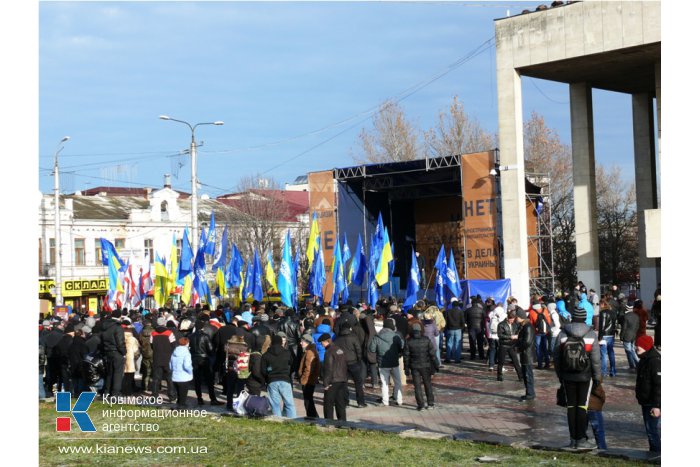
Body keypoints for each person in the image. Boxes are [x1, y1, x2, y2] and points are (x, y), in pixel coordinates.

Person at [553, 306, 602, 450]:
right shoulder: (590, 334)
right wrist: (597, 377)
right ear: (585, 317)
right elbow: (596, 359)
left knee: (571, 406)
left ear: (572, 317)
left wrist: (560, 375)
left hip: (567, 375)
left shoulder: (563, 333)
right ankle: (581, 439)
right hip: (585, 375)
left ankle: (572, 439)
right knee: (582, 406)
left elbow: (556, 356)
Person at [369, 317, 404, 406]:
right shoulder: (396, 336)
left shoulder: (377, 336)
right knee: (397, 382)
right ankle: (398, 399)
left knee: (384, 383)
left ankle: (385, 401)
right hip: (394, 362)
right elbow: (402, 346)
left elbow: (372, 349)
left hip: (382, 363)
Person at [403, 323, 439, 410]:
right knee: (428, 384)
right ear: (420, 330)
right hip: (426, 366)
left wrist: (406, 368)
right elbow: (432, 354)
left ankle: (421, 405)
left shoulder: (409, 341)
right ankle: (430, 403)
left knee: (417, 386)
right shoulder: (426, 340)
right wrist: (436, 365)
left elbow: (406, 357)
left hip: (414, 366)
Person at [635, 335, 661, 455]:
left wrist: (656, 405)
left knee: (652, 430)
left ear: (645, 346)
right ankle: (654, 453)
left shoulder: (654, 361)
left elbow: (658, 385)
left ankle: (657, 454)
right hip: (645, 401)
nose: (636, 347)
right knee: (649, 430)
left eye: (638, 345)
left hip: (652, 402)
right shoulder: (644, 359)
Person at [262, 335, 296, 418]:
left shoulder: (266, 355)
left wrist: (267, 378)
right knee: (289, 404)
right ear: (281, 342)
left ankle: (278, 421)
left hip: (272, 380)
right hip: (285, 379)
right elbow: (293, 364)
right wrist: (287, 372)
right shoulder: (287, 353)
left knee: (275, 404)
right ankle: (294, 422)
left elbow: (263, 370)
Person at [334, 321, 366, 408]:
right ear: (349, 328)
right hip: (354, 362)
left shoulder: (337, 339)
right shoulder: (353, 337)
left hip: (342, 363)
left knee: (344, 383)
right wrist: (359, 359)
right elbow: (358, 349)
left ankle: (345, 402)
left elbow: (335, 351)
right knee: (358, 383)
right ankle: (360, 402)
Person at [189, 320, 221, 405]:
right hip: (204, 359)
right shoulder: (205, 336)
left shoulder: (190, 336)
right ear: (202, 327)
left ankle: (199, 399)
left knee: (197, 380)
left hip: (194, 358)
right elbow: (210, 349)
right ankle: (213, 399)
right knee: (209, 380)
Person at [320, 333, 348, 421]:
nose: (321, 344)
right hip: (342, 380)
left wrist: (326, 383)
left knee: (328, 403)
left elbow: (328, 369)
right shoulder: (339, 350)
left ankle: (329, 423)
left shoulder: (329, 352)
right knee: (340, 403)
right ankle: (342, 423)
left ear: (326, 341)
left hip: (333, 381)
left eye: (322, 342)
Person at [150, 316, 177, 402]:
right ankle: (172, 396)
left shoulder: (153, 333)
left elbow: (151, 345)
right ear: (164, 323)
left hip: (157, 357)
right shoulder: (169, 333)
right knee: (169, 378)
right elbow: (174, 345)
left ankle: (154, 396)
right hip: (168, 358)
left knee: (156, 378)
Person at [101, 310, 127, 397]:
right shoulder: (118, 327)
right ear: (120, 316)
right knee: (118, 374)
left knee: (109, 373)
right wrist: (124, 352)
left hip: (107, 351)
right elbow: (120, 342)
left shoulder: (105, 326)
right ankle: (116, 393)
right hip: (116, 352)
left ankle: (107, 391)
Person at [514, 308, 536, 401]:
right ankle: (529, 392)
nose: (515, 318)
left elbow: (527, 341)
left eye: (517, 317)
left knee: (528, 374)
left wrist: (519, 348)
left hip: (527, 354)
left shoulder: (528, 327)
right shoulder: (523, 326)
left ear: (521, 317)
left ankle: (530, 393)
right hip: (525, 354)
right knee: (525, 374)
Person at [496, 310, 523, 382]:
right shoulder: (501, 324)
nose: (512, 321)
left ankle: (520, 376)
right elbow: (500, 335)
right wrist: (510, 337)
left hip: (512, 345)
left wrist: (517, 335)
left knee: (516, 361)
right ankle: (499, 375)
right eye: (511, 320)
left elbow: (517, 331)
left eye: (513, 320)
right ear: (507, 318)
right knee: (501, 361)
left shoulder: (515, 324)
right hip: (504, 345)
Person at [298, 334, 320, 418]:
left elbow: (308, 368)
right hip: (310, 380)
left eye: (302, 341)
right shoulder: (309, 350)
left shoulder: (310, 352)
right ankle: (313, 416)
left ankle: (312, 417)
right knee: (308, 400)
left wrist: (303, 380)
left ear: (307, 342)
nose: (300, 343)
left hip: (308, 381)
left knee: (308, 400)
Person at [170, 337, 193, 409]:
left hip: (175, 376)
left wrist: (173, 371)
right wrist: (191, 371)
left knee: (179, 393)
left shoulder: (174, 352)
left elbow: (170, 364)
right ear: (187, 343)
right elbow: (187, 365)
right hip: (184, 376)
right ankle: (181, 407)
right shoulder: (186, 353)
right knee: (183, 393)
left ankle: (178, 404)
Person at [529, 299, 552, 369]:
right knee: (545, 347)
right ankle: (547, 363)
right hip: (545, 332)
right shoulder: (545, 310)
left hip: (537, 332)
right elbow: (549, 321)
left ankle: (540, 365)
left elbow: (531, 324)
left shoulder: (531, 312)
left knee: (538, 348)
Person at [597, 299, 617, 377]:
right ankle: (613, 370)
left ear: (602, 304)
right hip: (611, 335)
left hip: (604, 335)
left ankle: (603, 372)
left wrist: (599, 337)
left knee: (604, 354)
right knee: (611, 353)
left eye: (599, 305)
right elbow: (614, 324)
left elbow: (602, 326)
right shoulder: (613, 312)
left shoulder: (602, 313)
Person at [122, 320, 140, 396]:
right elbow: (136, 350)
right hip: (130, 359)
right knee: (130, 377)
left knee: (123, 376)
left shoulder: (120, 337)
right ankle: (128, 392)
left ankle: (122, 390)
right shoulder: (132, 339)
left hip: (122, 357)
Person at [587, 382, 607, 450]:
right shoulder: (593, 376)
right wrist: (602, 397)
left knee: (581, 430)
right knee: (599, 430)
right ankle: (602, 449)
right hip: (593, 406)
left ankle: (581, 447)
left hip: (581, 405)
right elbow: (598, 391)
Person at [465, 296, 486, 361]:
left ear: (471, 303)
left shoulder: (468, 310)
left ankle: (473, 356)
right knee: (480, 342)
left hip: (471, 327)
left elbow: (465, 319)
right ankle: (481, 356)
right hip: (480, 328)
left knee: (472, 342)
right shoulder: (481, 310)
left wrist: (468, 324)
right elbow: (484, 319)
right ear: (477, 304)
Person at [444, 298, 465, 364]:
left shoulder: (448, 311)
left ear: (452, 305)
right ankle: (457, 359)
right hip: (458, 329)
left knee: (449, 343)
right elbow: (463, 321)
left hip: (450, 329)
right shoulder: (460, 312)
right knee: (457, 344)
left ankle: (448, 358)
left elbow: (446, 321)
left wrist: (446, 328)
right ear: (458, 305)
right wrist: (462, 328)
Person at [621, 304, 640, 370]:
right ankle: (637, 364)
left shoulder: (626, 316)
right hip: (634, 335)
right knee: (632, 350)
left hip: (627, 336)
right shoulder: (636, 316)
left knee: (628, 351)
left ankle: (632, 365)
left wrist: (621, 337)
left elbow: (624, 328)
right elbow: (638, 326)